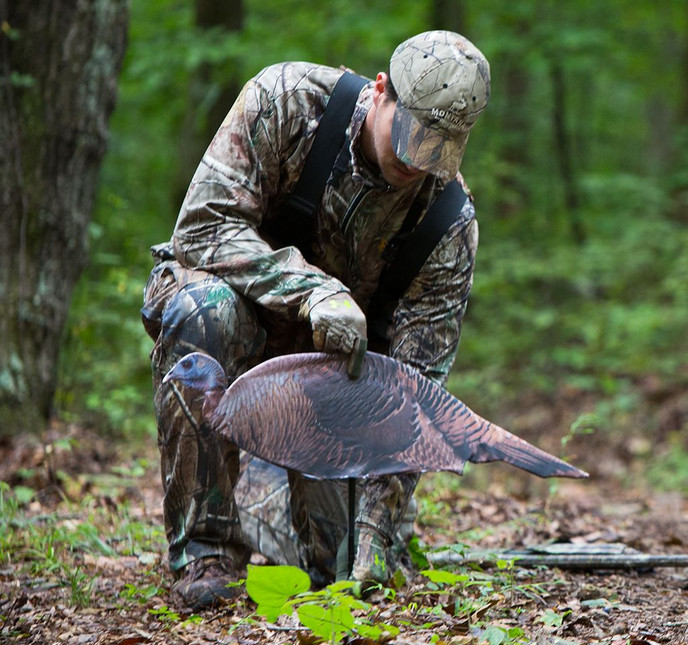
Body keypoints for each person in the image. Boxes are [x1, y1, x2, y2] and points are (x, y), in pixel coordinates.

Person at [140, 30, 491, 609]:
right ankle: (206, 554)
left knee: (345, 568)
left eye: (437, 149)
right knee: (204, 311)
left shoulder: (448, 221)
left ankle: (273, 506)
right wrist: (313, 291)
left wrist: (374, 536)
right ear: (381, 90)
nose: (416, 161)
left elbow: (415, 389)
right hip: (238, 326)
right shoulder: (287, 100)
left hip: (334, 381)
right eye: (411, 135)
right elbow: (200, 226)